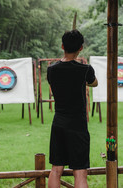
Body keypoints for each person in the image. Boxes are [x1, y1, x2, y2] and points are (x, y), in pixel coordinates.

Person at [47, 30, 98, 188]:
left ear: (62, 46)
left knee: (56, 169)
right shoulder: (85, 70)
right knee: (80, 171)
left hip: (59, 123)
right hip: (78, 126)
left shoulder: (51, 70)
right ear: (81, 48)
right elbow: (94, 83)